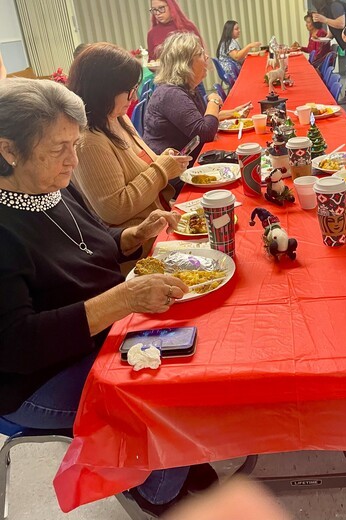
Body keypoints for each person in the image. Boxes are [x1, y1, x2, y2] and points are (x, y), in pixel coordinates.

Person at [0, 77, 217, 518]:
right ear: (8, 151)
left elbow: (90, 246)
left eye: (75, 144)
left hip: (100, 335)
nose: (73, 159)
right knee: (162, 394)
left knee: (196, 346)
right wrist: (122, 300)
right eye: (59, 148)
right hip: (34, 377)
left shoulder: (53, 185)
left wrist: (131, 236)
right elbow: (17, 344)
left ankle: (174, 456)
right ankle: (155, 491)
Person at [67, 43, 190, 236]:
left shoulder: (117, 117)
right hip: (138, 239)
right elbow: (116, 209)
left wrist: (164, 160)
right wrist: (163, 168)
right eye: (130, 90)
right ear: (105, 90)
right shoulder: (89, 141)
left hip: (160, 218)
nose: (134, 98)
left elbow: (141, 167)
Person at [143, 32, 252, 163]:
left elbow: (200, 119)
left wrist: (233, 113)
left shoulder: (187, 87)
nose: (206, 57)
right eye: (200, 54)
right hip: (173, 170)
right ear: (185, 63)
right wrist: (214, 101)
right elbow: (205, 133)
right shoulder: (171, 94)